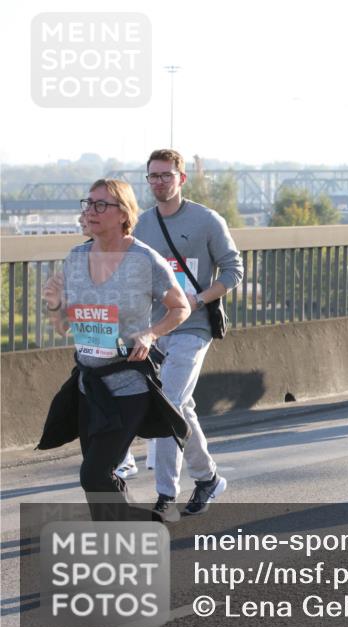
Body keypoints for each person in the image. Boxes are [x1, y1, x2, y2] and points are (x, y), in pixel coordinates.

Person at [42, 179, 190, 513]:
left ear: (123, 213)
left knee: (94, 473)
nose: (90, 211)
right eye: (88, 203)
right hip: (88, 387)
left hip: (128, 386)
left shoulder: (144, 259)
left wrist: (150, 334)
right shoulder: (76, 257)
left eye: (100, 205)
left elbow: (180, 307)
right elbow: (66, 325)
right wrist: (54, 305)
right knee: (97, 479)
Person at [133, 149, 244, 521]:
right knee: (182, 407)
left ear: (182, 179)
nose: (159, 182)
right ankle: (208, 477)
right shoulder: (141, 224)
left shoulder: (206, 220)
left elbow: (232, 272)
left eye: (166, 175)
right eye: (153, 176)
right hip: (155, 328)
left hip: (193, 328)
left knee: (166, 406)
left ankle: (166, 495)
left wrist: (197, 299)